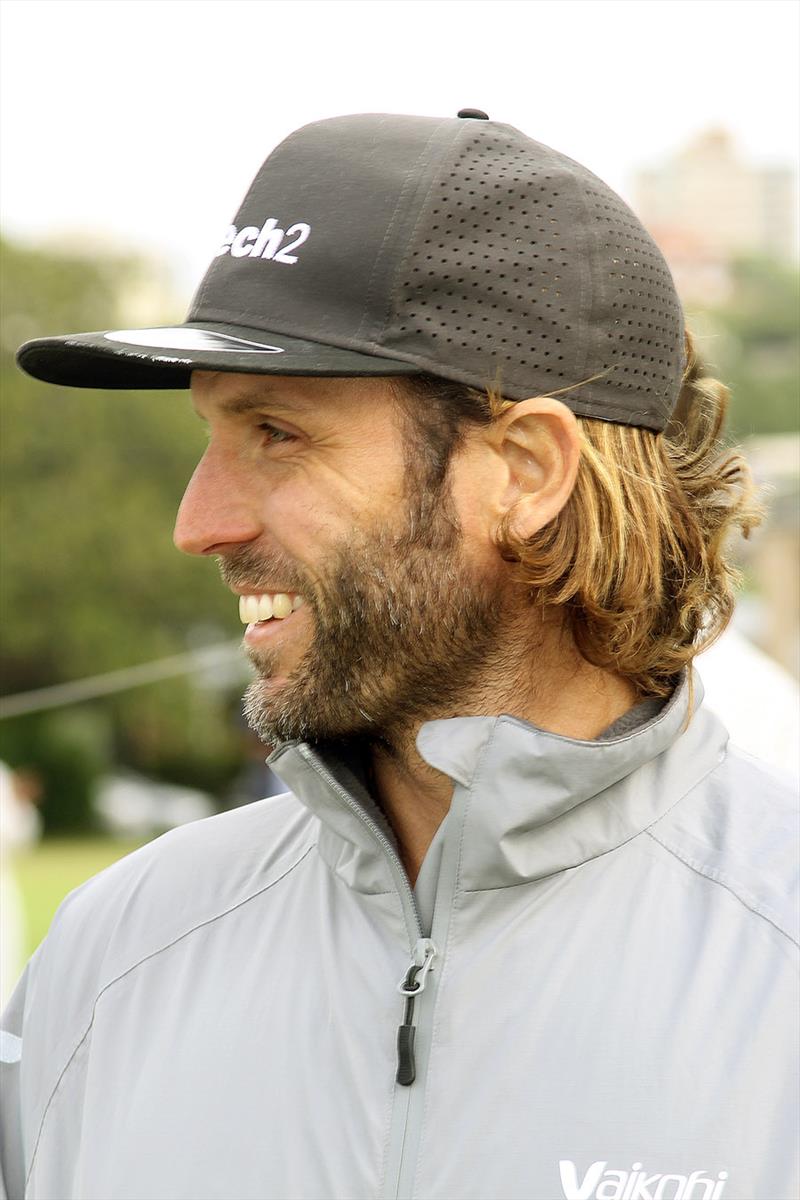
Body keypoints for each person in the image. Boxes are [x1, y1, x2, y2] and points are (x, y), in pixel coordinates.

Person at [2, 111, 797, 1200]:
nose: (199, 523)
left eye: (274, 433)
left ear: (523, 469)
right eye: (210, 440)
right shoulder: (112, 955)